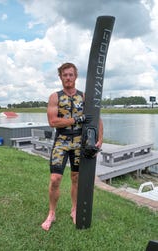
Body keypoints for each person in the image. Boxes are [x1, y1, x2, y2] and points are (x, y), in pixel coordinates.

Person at [41, 62, 103, 231]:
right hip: (61, 141)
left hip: (79, 142)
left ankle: (74, 210)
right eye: (65, 75)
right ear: (60, 77)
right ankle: (51, 213)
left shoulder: (84, 97)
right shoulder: (55, 96)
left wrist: (100, 139)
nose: (68, 78)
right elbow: (53, 122)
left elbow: (96, 117)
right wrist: (76, 119)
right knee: (55, 179)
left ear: (76, 76)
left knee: (76, 177)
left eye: (71, 74)